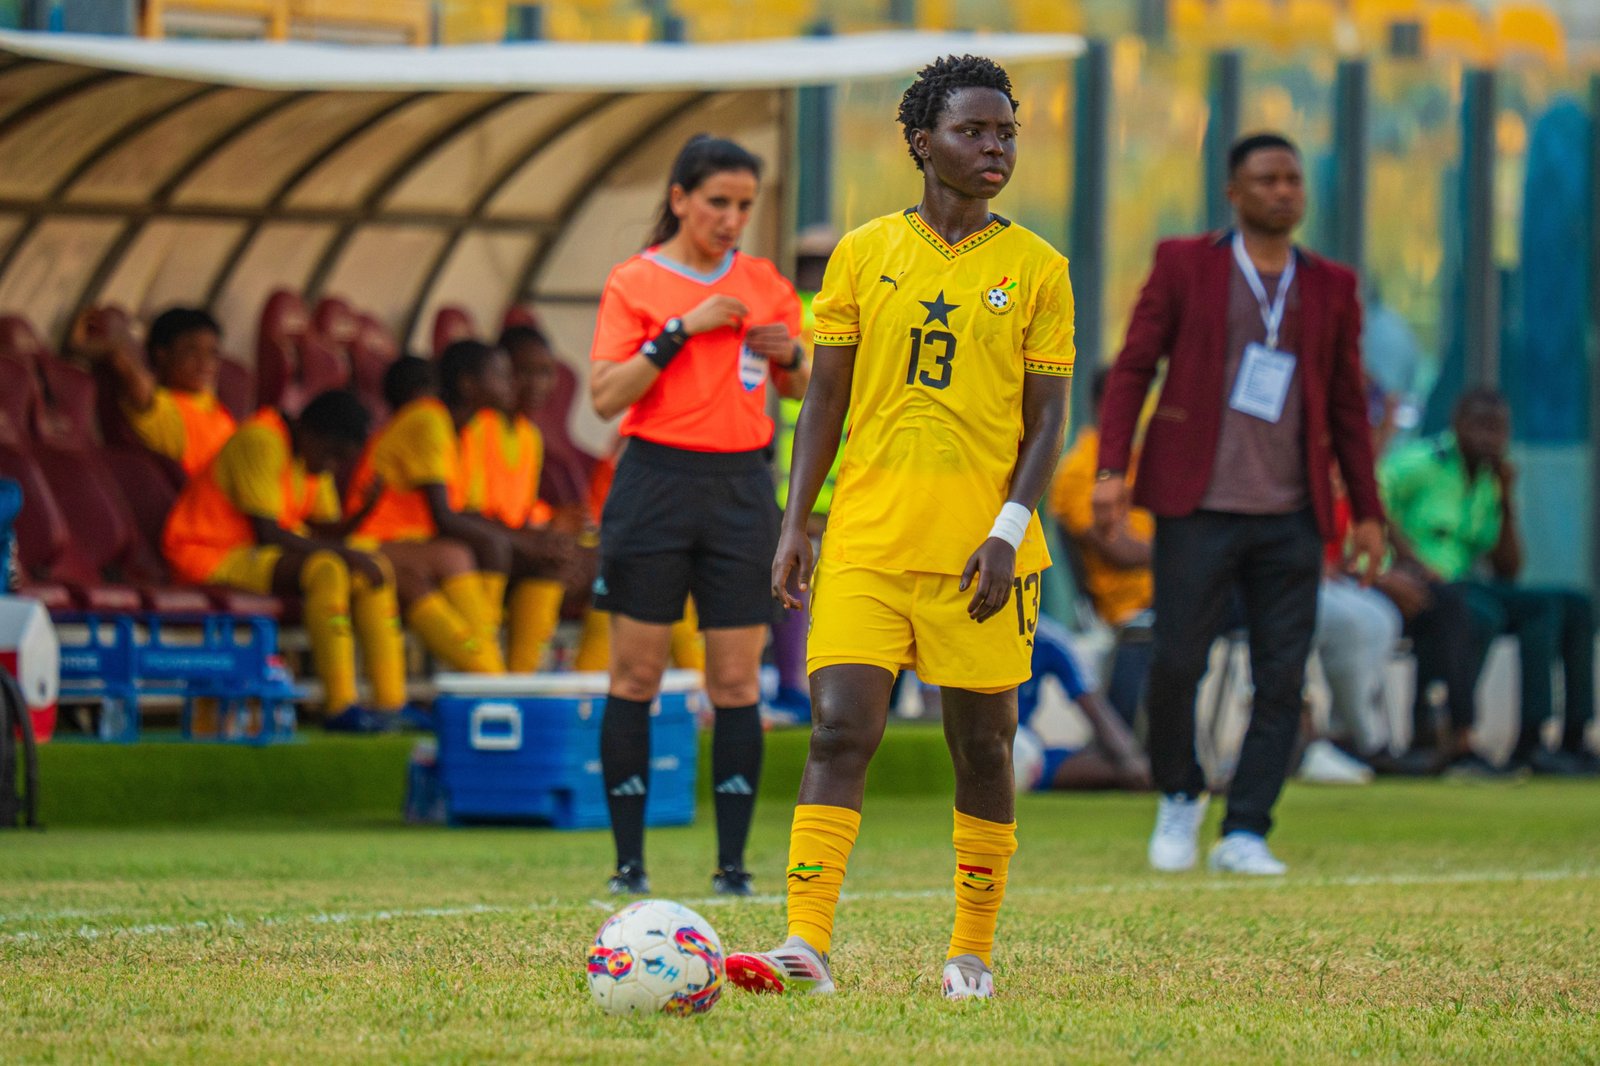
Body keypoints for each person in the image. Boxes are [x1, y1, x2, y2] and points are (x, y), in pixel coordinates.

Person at [725, 55, 1074, 1002]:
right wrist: (797, 524)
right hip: (869, 541)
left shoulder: (1039, 269)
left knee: (985, 745)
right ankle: (805, 943)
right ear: (923, 142)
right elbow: (824, 403)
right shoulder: (861, 254)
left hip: (982, 554)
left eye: (1007, 132)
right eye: (975, 131)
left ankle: (970, 953)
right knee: (839, 732)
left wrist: (1007, 529)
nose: (995, 147)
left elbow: (1049, 422)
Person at [1095, 132, 1385, 877]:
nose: (1284, 191)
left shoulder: (1330, 285)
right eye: (1267, 179)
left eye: (1293, 179)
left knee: (1282, 675)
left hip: (1293, 511)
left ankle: (1247, 827)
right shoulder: (1185, 263)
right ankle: (1180, 795)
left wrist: (1370, 510)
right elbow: (1133, 368)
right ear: (1234, 191)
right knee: (1175, 662)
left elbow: (1350, 405)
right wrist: (1110, 470)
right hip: (1197, 504)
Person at [587, 134, 807, 898]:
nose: (732, 218)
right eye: (718, 202)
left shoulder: (766, 282)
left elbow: (800, 390)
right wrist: (684, 329)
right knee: (638, 674)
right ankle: (628, 868)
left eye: (744, 205)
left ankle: (734, 870)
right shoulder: (635, 282)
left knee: (738, 683)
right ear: (680, 198)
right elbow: (607, 396)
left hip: (743, 489)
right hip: (654, 483)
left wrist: (793, 357)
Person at [1381, 389, 1598, 776]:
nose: (1490, 439)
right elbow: (1372, 502)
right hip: (1417, 584)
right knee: (1483, 614)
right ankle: (1449, 733)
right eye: (1481, 427)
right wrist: (1407, 558)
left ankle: (1552, 739)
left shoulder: (1490, 477)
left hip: (1463, 582)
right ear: (1457, 425)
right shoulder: (1420, 463)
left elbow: (1508, 570)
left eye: (1499, 430)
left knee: (1566, 605)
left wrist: (1507, 498)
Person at [162, 390, 406, 733]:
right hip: (208, 556)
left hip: (258, 557)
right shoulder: (262, 440)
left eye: (341, 461)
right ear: (311, 432)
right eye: (333, 455)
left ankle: (391, 703)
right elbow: (268, 533)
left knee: (373, 570)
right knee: (329, 569)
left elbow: (324, 531)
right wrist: (346, 554)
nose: (331, 467)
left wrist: (364, 511)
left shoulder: (312, 458)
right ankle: (340, 706)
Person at [345, 356, 505, 675]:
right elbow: (443, 516)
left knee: (415, 583)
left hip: (399, 547)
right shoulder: (428, 416)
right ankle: (494, 675)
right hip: (365, 543)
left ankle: (489, 671)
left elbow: (463, 509)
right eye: (502, 374)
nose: (509, 383)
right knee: (454, 556)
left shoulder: (454, 427)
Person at [457, 328, 580, 671]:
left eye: (545, 372)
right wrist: (536, 539)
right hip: (479, 545)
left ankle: (588, 686)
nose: (538, 384)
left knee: (604, 563)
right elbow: (467, 510)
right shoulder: (478, 427)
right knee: (548, 560)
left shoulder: (529, 435)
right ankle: (508, 676)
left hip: (511, 541)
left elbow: (522, 509)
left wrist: (554, 521)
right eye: (526, 372)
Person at [1050, 366, 1155, 727]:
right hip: (1126, 603)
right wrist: (1180, 553)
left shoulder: (1139, 458)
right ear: (1104, 404)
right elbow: (1118, 551)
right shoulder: (1081, 467)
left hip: (1167, 592)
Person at [70, 306, 236, 477]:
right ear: (162, 354)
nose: (205, 362)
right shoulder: (163, 410)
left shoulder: (203, 396)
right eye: (192, 350)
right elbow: (128, 369)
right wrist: (104, 347)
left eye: (213, 353)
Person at [1015, 613, 1152, 792]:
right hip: (973, 745)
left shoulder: (1045, 637)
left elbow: (1090, 701)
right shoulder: (972, 634)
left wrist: (1129, 758)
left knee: (1119, 769)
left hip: (1021, 748)